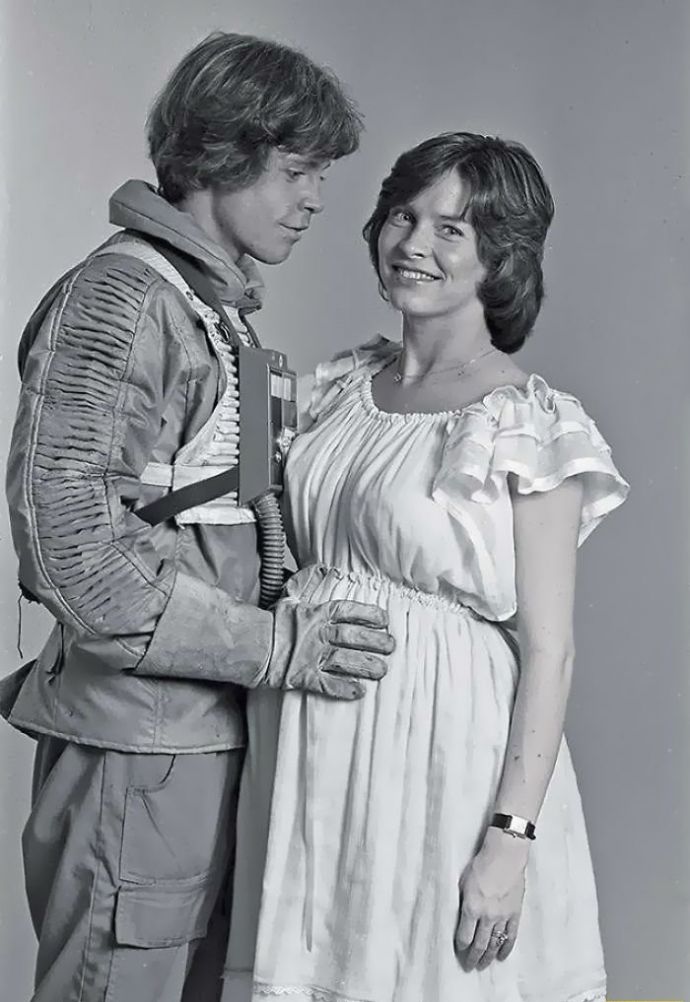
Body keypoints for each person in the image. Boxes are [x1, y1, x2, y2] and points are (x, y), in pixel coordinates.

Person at [0, 32, 395, 1002]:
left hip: (204, 731)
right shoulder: (124, 300)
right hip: (139, 747)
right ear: (222, 154)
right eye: (297, 171)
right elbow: (72, 548)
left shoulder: (205, 307)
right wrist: (278, 647)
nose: (316, 199)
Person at [222, 132, 630, 1002]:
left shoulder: (527, 421)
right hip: (308, 748)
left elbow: (549, 651)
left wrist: (509, 839)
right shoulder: (339, 387)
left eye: (452, 229)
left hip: (439, 757)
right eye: (403, 216)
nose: (413, 244)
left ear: (501, 257)